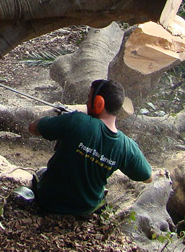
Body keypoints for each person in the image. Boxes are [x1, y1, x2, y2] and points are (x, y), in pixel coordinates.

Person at [28, 79, 152, 216]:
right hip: (85, 209)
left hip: (48, 201)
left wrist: (62, 120)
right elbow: (147, 177)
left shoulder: (76, 121)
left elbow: (33, 128)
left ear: (99, 103)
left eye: (89, 98)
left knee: (41, 172)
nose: (87, 103)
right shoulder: (126, 147)